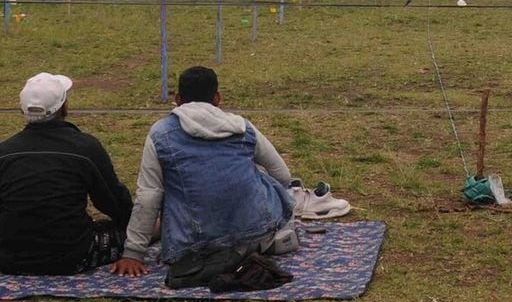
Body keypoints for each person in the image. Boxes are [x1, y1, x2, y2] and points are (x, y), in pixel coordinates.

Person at [112, 66, 295, 285]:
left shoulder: (160, 134)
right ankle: (267, 241)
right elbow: (283, 176)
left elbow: (149, 196)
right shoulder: (242, 127)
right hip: (254, 236)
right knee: (261, 173)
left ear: (177, 99)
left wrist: (133, 253)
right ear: (218, 98)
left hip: (192, 247)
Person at [0, 73, 132, 274]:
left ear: (21, 109)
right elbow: (113, 203)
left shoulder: (5, 151)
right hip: (73, 255)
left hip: (8, 258)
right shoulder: (85, 147)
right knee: (145, 229)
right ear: (65, 108)